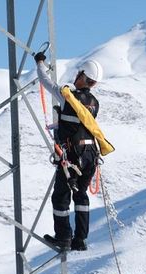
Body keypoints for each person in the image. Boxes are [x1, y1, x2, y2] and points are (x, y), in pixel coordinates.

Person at [34, 51, 103, 252]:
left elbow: (45, 81)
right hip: (90, 155)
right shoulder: (95, 103)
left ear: (82, 75)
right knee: (81, 195)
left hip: (73, 156)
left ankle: (64, 238)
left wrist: (40, 62)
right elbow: (78, 125)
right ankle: (80, 240)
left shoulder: (68, 96)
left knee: (61, 197)